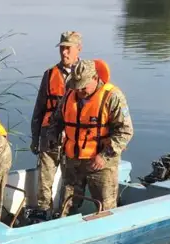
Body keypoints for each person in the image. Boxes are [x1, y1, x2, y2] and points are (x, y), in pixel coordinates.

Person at [42, 59, 133, 216]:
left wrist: (104, 156)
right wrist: (52, 135)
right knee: (67, 204)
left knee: (105, 207)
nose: (79, 91)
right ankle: (66, 231)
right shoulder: (70, 93)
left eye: (83, 87)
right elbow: (57, 120)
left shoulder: (112, 97)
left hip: (100, 163)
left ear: (95, 79)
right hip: (73, 161)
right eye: (76, 87)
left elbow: (125, 131)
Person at [30, 31, 83, 219]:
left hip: (73, 137)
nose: (64, 53)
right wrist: (35, 137)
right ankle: (43, 212)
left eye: (68, 48)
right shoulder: (49, 74)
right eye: (62, 48)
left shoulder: (86, 75)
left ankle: (66, 214)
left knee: (71, 179)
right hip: (48, 136)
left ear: (79, 49)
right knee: (45, 178)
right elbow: (39, 108)